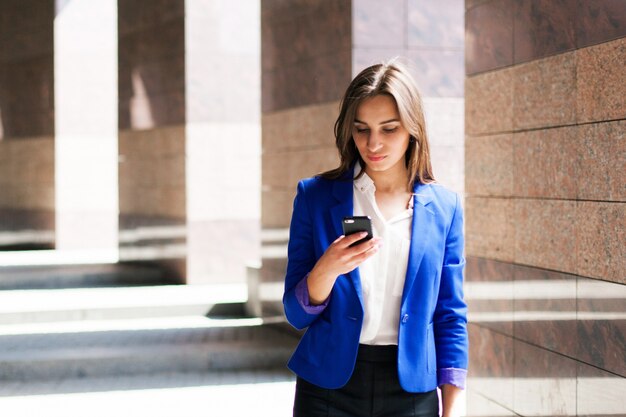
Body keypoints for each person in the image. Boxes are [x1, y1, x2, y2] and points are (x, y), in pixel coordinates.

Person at [283, 60, 468, 417]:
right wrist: (327, 269)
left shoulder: (445, 208)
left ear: (412, 129)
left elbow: (450, 314)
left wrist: (454, 405)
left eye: (389, 129)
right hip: (327, 388)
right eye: (362, 129)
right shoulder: (316, 197)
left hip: (411, 390)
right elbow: (295, 314)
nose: (374, 143)